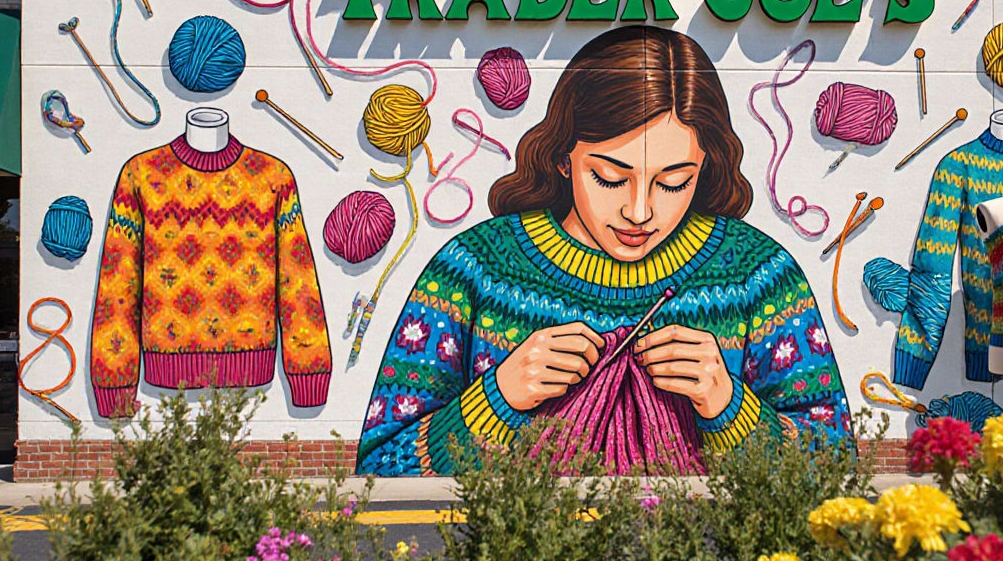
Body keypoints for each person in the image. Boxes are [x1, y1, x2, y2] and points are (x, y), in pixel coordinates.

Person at [356, 25, 850, 476]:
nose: (639, 211)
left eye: (674, 182)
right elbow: (378, 471)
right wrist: (497, 397)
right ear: (564, 156)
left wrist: (730, 406)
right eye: (610, 178)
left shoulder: (757, 273)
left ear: (706, 166)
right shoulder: (473, 268)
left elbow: (837, 470)